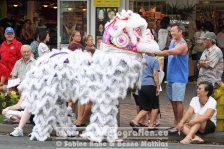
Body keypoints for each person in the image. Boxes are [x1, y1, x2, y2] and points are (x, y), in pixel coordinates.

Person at [154, 24, 189, 132]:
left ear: (180, 31)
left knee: (178, 101)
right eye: (171, 31)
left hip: (179, 78)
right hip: (171, 77)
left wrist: (156, 52)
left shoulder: (183, 45)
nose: (172, 33)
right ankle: (175, 123)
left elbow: (170, 52)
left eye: (174, 31)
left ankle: (179, 125)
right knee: (173, 101)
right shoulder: (173, 42)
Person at [130, 54, 160, 130]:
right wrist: (158, 86)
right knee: (155, 107)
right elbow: (155, 74)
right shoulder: (154, 60)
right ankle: (150, 125)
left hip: (141, 85)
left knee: (145, 107)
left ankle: (135, 120)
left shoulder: (141, 59)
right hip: (150, 84)